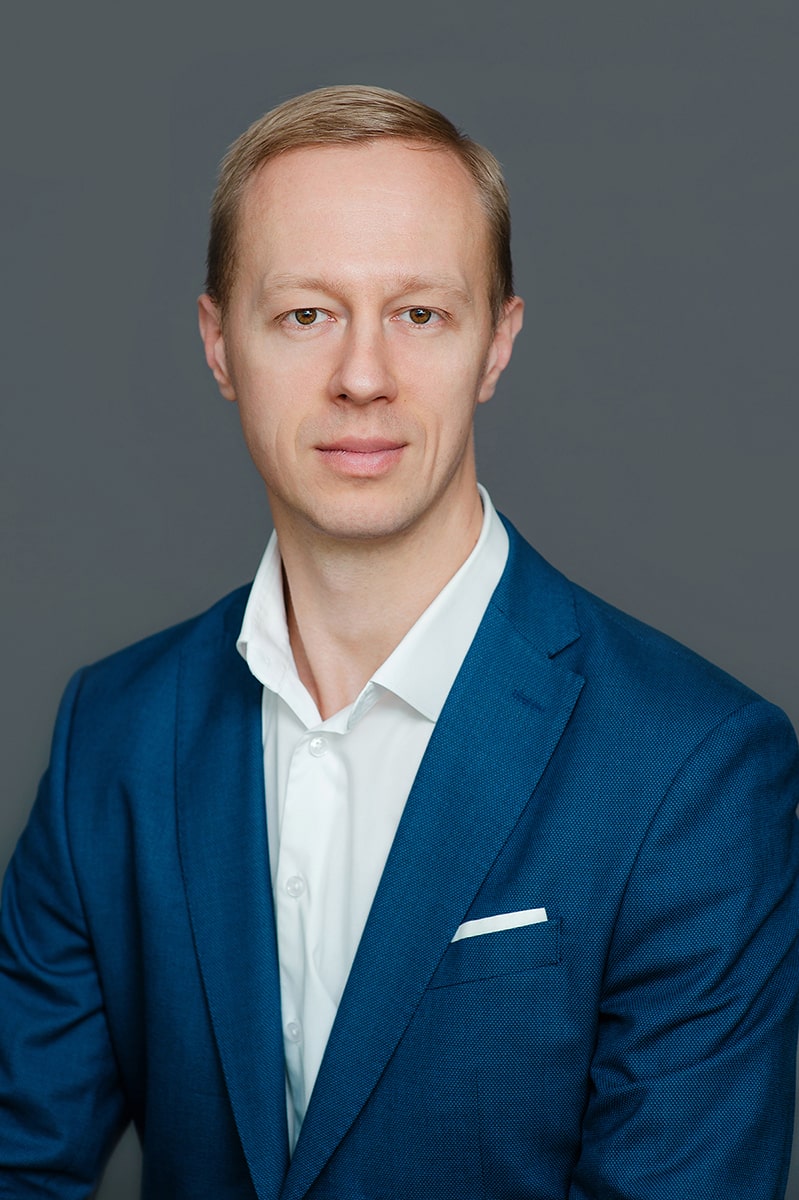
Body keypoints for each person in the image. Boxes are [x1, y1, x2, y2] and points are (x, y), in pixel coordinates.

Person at [1, 84, 798, 1200]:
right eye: (305, 315)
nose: (362, 377)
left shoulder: (693, 770)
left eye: (419, 314)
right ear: (219, 344)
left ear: (496, 345)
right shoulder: (113, 736)